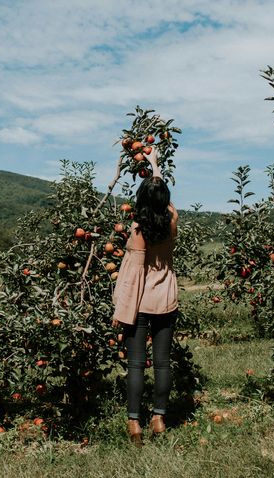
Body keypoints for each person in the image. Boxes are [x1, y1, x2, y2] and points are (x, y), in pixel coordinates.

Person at [111, 145, 179, 446]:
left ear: (140, 200)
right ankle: (159, 417)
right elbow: (161, 197)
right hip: (166, 300)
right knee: (162, 363)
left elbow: (132, 276)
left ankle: (134, 423)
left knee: (136, 364)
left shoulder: (138, 230)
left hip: (139, 303)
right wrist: (156, 166)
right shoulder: (172, 220)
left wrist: (121, 311)